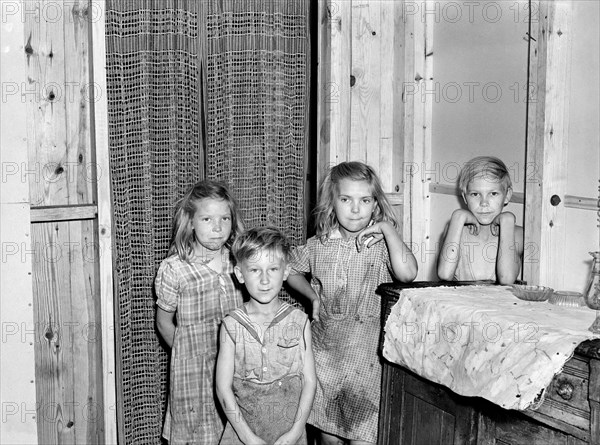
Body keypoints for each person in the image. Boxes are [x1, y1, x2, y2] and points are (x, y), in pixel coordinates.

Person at [286, 161, 418, 445]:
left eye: (365, 200)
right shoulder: (318, 244)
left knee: (364, 437)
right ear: (332, 202)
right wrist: (312, 296)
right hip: (325, 358)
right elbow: (289, 269)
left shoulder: (382, 245)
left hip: (368, 361)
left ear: (375, 204)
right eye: (346, 199)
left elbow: (408, 274)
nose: (355, 209)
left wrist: (387, 229)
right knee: (328, 437)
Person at [155, 180, 244, 444]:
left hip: (236, 365)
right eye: (207, 219)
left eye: (224, 219)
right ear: (191, 222)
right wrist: (187, 354)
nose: (217, 228)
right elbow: (163, 323)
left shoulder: (241, 261)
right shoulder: (175, 268)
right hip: (192, 372)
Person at [216, 227, 316, 445]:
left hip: (289, 433)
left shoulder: (299, 321)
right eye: (254, 270)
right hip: (242, 434)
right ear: (240, 274)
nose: (264, 280)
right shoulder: (231, 325)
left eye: (272, 269)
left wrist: (296, 432)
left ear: (286, 272)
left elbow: (309, 381)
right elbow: (223, 388)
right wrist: (248, 438)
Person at [437, 156, 524, 284]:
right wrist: (458, 217)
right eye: (475, 194)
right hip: (461, 303)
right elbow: (444, 274)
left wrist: (507, 222)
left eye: (493, 193)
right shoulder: (457, 229)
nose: (484, 203)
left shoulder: (516, 234)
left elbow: (506, 279)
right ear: (465, 197)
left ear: (507, 195)